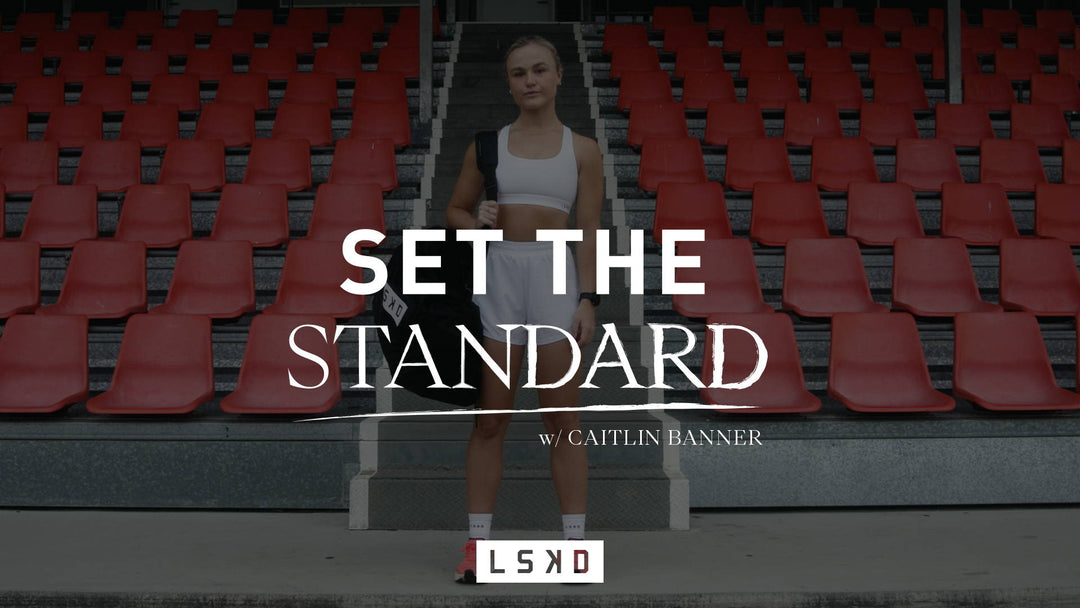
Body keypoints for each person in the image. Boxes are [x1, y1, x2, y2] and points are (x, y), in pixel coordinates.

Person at [444, 35, 604, 583]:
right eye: (519, 73)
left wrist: (587, 299)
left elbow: (588, 233)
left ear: (559, 76)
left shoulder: (582, 149)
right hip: (500, 278)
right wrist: (477, 217)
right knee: (491, 420)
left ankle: (576, 548)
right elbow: (455, 213)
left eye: (539, 70)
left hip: (557, 280)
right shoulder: (487, 144)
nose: (530, 80)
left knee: (563, 420)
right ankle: (477, 546)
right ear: (509, 83)